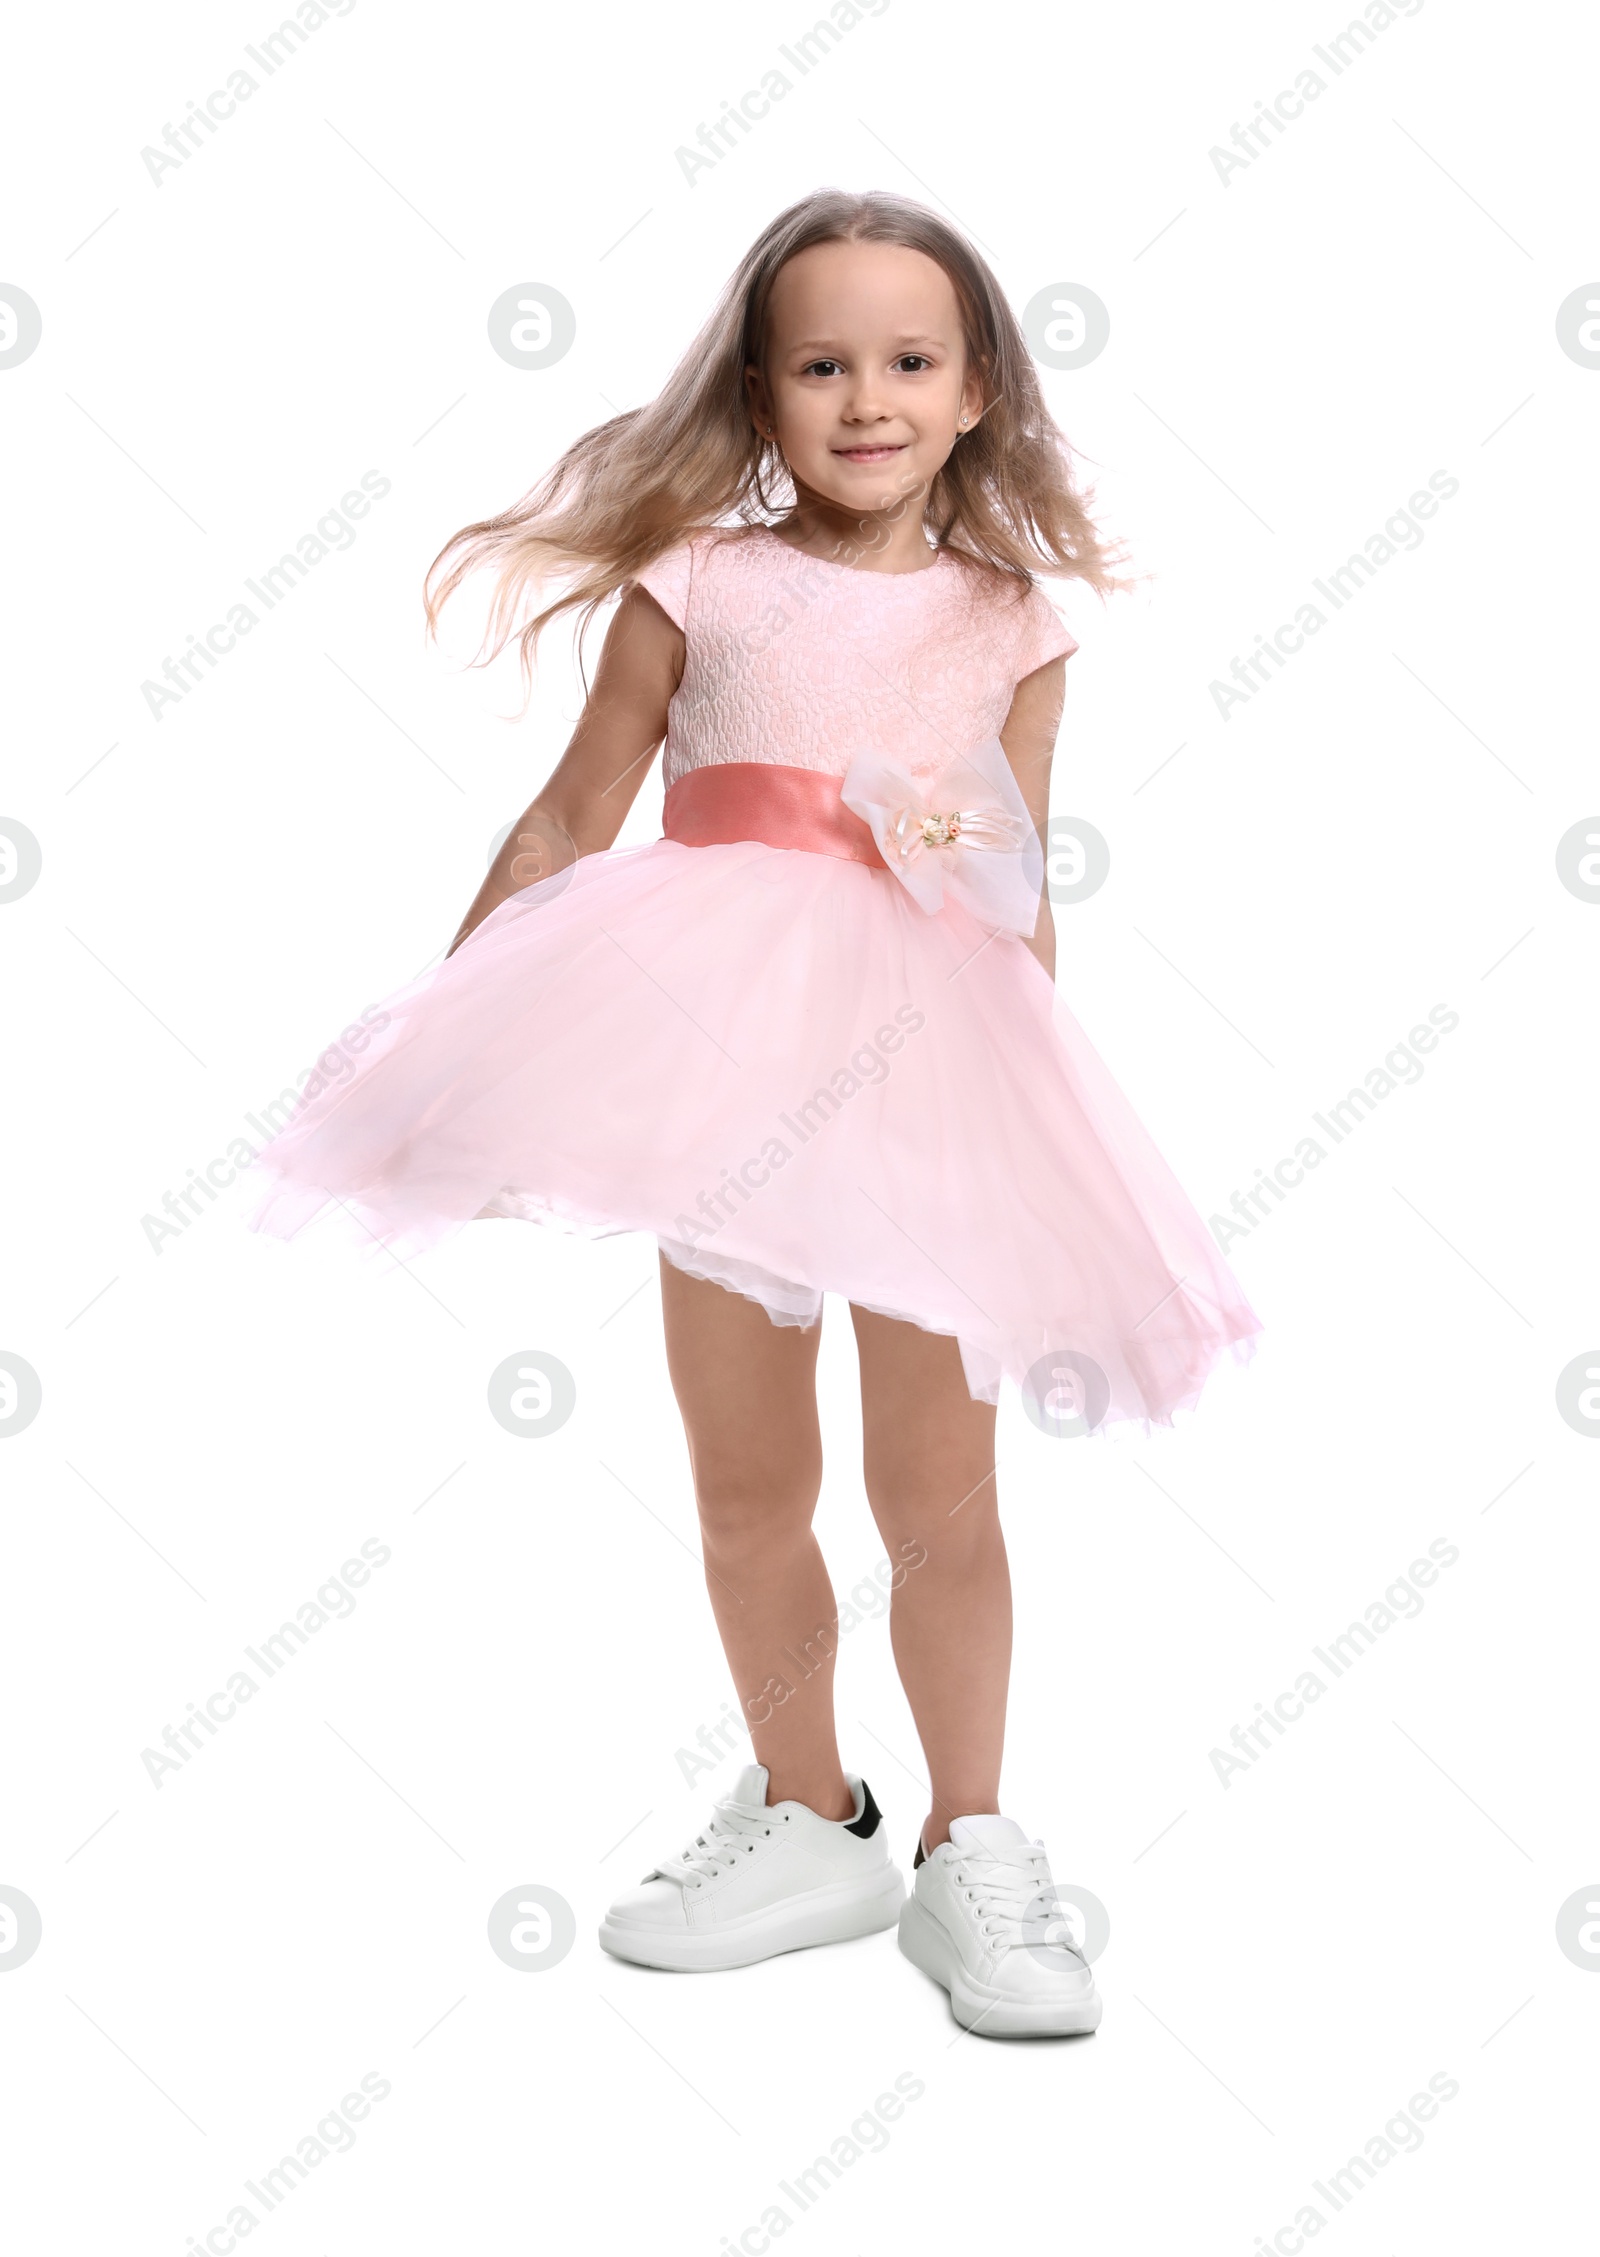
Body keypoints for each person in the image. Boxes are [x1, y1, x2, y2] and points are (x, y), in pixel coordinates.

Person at [247, 188, 1262, 2036]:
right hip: (709, 1055)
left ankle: (976, 1849)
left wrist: (1041, 1127)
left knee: (937, 1488)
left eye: (908, 360)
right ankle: (811, 1812)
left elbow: (1016, 878)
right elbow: (573, 816)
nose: (864, 396)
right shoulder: (697, 578)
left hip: (929, 1063)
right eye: (821, 362)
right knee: (746, 1478)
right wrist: (443, 1025)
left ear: (975, 393)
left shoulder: (1013, 620)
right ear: (761, 386)